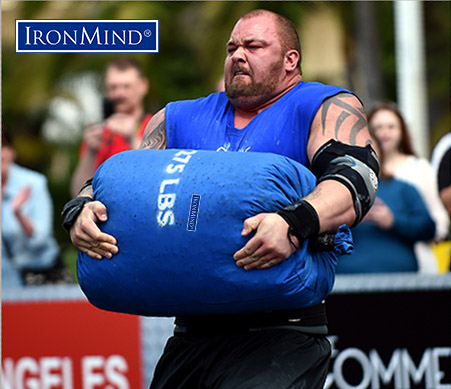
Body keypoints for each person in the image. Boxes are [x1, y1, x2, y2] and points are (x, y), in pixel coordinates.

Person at [63, 10, 379, 389]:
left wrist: (296, 223)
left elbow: (357, 178)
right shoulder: (175, 118)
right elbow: (123, 187)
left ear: (291, 60)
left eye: (254, 46)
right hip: (192, 334)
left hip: (280, 333)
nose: (238, 55)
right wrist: (81, 209)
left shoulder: (323, 105)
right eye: (232, 47)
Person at [367, 102, 450, 273]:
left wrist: (421, 230)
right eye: (378, 127)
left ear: (401, 131)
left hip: (417, 261)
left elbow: (438, 219)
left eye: (391, 126)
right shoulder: (358, 172)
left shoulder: (420, 168)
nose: (384, 133)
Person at [336, 137, 436, 273]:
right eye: (355, 147)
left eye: (369, 147)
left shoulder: (404, 189)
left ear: (379, 154)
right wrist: (348, 219)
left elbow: (429, 229)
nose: (362, 153)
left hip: (401, 282)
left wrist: (393, 221)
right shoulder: (333, 191)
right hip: (346, 283)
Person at [70, 57, 152, 197]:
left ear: (143, 86)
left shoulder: (156, 125)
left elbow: (155, 178)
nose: (119, 94)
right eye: (113, 87)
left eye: (126, 86)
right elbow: (77, 193)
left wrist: (132, 138)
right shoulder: (99, 133)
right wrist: (90, 152)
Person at [2, 127, 70, 287]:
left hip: (42, 277)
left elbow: (40, 240)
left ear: (11, 151)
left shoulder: (34, 183)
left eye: (2, 146)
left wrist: (18, 213)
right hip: (7, 284)